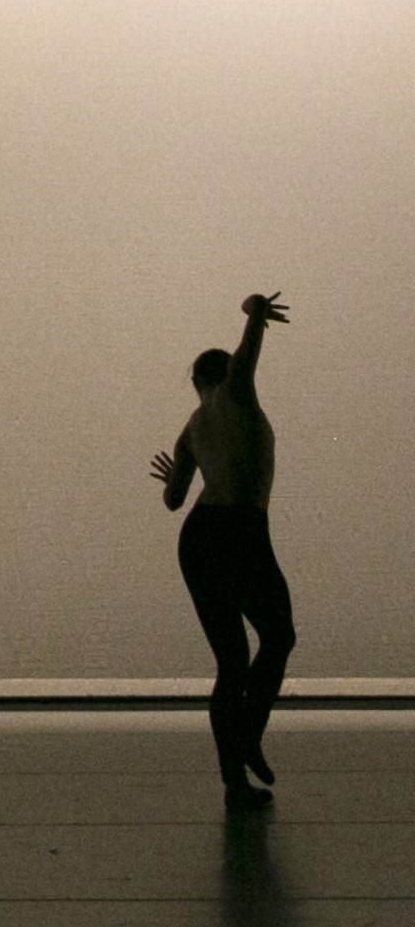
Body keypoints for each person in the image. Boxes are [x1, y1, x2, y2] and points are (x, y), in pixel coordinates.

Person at [150, 292, 294, 809]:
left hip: (200, 535)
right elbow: (249, 347)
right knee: (278, 637)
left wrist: (173, 478)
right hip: (240, 531)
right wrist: (255, 311)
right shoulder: (237, 393)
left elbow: (173, 501)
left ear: (196, 382)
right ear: (225, 373)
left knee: (232, 663)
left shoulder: (192, 425)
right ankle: (248, 734)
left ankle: (234, 781)